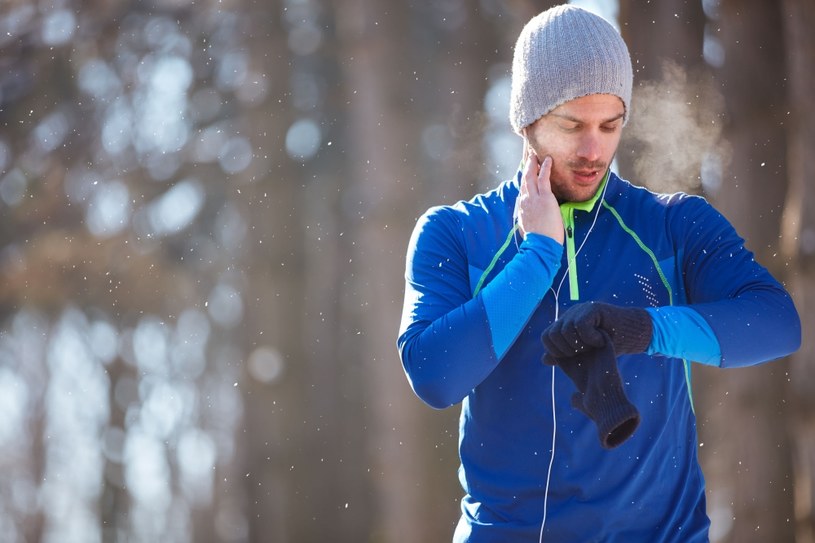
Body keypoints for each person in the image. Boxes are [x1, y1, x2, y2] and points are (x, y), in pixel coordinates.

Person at [396, 4, 802, 542]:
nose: (593, 151)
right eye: (572, 126)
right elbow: (434, 374)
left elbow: (778, 324)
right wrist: (539, 255)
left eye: (610, 126)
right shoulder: (456, 232)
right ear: (526, 120)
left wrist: (644, 328)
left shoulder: (669, 225)